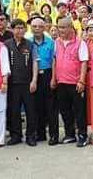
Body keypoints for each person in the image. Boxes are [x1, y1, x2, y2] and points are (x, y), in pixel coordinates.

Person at [52, 16, 89, 147]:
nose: (60, 30)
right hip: (61, 82)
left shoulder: (80, 43)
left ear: (70, 28)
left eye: (63, 27)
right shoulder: (56, 42)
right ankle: (70, 134)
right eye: (59, 27)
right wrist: (53, 78)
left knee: (79, 111)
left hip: (75, 83)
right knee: (65, 110)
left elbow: (84, 62)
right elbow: (55, 60)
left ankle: (82, 135)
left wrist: (82, 81)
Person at [4, 19, 37, 146]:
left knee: (30, 110)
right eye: (17, 28)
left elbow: (35, 62)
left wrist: (34, 80)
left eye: (22, 28)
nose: (20, 30)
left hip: (27, 83)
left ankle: (30, 136)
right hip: (13, 83)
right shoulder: (6, 45)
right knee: (14, 111)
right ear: (12, 29)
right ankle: (16, 135)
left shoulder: (30, 44)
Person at [30, 17, 59, 145]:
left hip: (48, 75)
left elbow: (54, 60)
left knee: (51, 107)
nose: (37, 29)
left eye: (40, 27)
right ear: (31, 28)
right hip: (34, 77)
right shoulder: (28, 42)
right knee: (37, 106)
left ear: (44, 28)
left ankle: (53, 135)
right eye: (34, 26)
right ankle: (40, 134)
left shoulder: (50, 42)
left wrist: (53, 77)